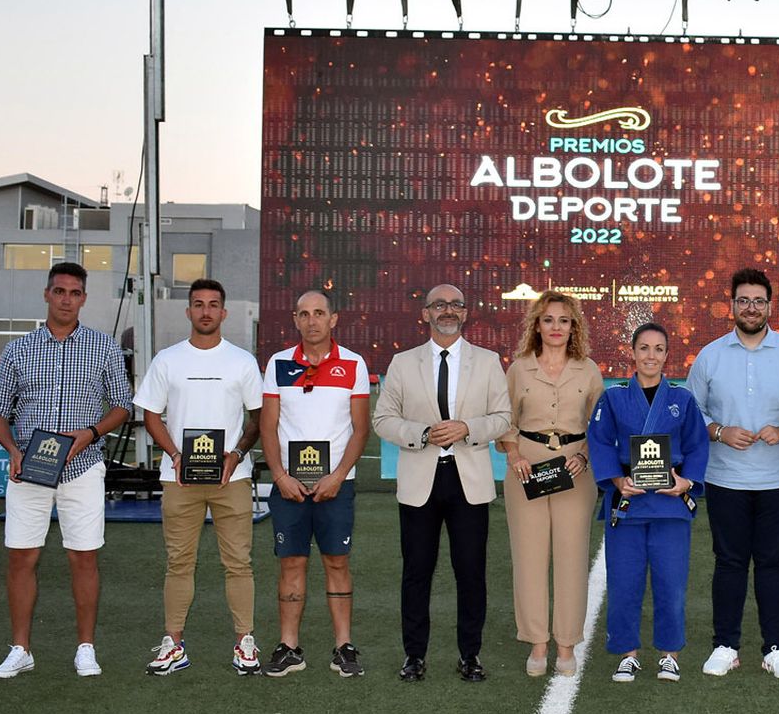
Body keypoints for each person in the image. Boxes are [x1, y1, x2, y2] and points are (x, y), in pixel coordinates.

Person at [0, 262, 133, 679]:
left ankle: (85, 648)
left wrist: (89, 433)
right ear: (46, 294)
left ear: (83, 298)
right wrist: (12, 449)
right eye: (59, 291)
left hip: (83, 467)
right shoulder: (19, 349)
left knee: (83, 556)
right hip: (28, 469)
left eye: (74, 292)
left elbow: (123, 405)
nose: (66, 299)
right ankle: (20, 649)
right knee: (21, 557)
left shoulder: (103, 347)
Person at [373, 284, 510, 682]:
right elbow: (383, 419)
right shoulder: (402, 363)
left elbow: (503, 416)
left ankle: (471, 655)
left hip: (469, 480)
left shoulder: (487, 362)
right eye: (438, 305)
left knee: (471, 572)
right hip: (420, 479)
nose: (446, 311)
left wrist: (468, 427)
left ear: (465, 313)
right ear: (425, 313)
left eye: (454, 305)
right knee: (417, 571)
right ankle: (414, 655)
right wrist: (421, 433)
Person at [685, 268, 779, 680]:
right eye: (744, 301)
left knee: (774, 563)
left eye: (758, 301)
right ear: (732, 305)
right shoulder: (711, 355)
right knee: (729, 562)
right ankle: (726, 645)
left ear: (770, 306)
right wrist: (719, 431)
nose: (751, 308)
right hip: (726, 478)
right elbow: (690, 414)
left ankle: (776, 649)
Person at [137, 278, 265, 676]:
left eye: (213, 304)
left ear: (224, 312)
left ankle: (245, 641)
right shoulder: (167, 359)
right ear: (189, 311)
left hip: (233, 477)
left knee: (239, 564)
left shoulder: (242, 361)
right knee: (179, 563)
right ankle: (173, 643)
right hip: (179, 479)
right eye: (198, 304)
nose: (206, 311)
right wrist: (175, 455)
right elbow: (151, 415)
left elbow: (258, 419)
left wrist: (238, 454)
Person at [258, 289, 372, 678]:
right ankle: (289, 646)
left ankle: (344, 646)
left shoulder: (353, 364)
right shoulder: (278, 364)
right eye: (304, 314)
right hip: (288, 485)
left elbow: (361, 429)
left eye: (319, 313)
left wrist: (338, 476)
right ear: (295, 319)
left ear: (333, 318)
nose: (312, 321)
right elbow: (267, 426)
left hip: (336, 486)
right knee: (291, 561)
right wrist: (279, 476)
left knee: (336, 561)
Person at [588, 322, 709, 683]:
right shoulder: (613, 397)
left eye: (658, 349)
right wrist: (616, 481)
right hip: (628, 503)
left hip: (670, 504)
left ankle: (669, 653)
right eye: (644, 348)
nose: (651, 356)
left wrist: (686, 481)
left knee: (671, 583)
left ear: (667, 355)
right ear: (633, 352)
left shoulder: (682, 399)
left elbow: (698, 444)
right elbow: (599, 441)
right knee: (625, 582)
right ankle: (628, 653)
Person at [498, 290, 605, 678]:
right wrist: (514, 456)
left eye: (563, 320)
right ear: (537, 325)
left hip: (575, 469)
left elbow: (599, 425)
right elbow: (504, 417)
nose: (556, 327)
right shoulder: (520, 368)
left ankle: (566, 645)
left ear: (573, 325)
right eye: (548, 320)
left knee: (571, 557)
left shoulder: (588, 369)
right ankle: (537, 643)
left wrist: (584, 457)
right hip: (526, 467)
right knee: (528, 557)